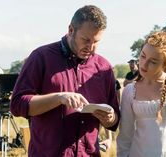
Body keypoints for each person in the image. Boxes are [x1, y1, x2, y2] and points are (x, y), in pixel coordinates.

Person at [10, 5, 120, 157]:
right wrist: (58, 98)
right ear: (70, 30)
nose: (91, 47)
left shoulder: (104, 67)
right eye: (86, 40)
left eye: (96, 41)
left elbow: (114, 119)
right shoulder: (41, 57)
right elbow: (17, 105)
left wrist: (110, 118)